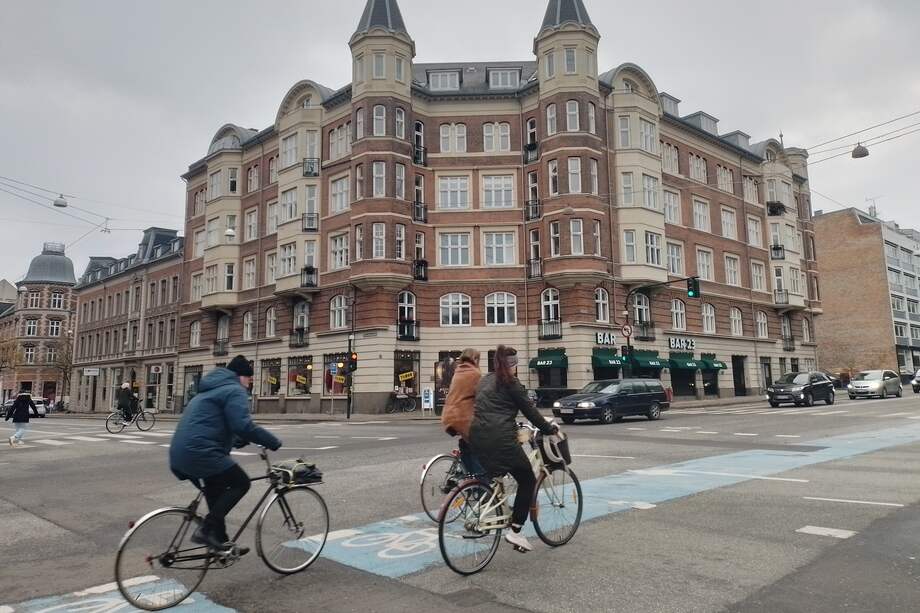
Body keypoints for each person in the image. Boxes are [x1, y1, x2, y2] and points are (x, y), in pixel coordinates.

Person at [169, 355, 282, 552]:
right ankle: (206, 530)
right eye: (248, 379)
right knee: (241, 483)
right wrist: (272, 441)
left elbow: (214, 423)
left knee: (216, 493)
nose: (249, 385)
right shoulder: (234, 390)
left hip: (180, 454)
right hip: (201, 453)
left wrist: (238, 440)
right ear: (240, 377)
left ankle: (222, 545)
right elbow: (243, 425)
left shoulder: (209, 390)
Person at [469, 345, 557, 552]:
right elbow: (530, 412)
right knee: (528, 480)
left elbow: (490, 408)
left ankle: (495, 509)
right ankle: (516, 530)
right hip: (500, 438)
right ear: (514, 365)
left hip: (477, 437)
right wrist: (548, 428)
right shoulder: (512, 383)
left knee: (500, 475)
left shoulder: (485, 380)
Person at [440, 348, 484, 476]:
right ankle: (480, 487)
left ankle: (468, 480)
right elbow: (482, 396)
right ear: (474, 359)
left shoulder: (458, 371)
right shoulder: (475, 373)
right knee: (479, 448)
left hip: (449, 416)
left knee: (467, 445)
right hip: (462, 417)